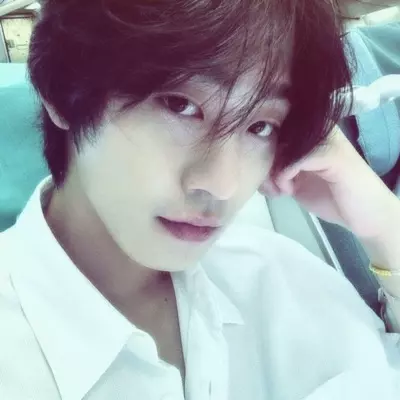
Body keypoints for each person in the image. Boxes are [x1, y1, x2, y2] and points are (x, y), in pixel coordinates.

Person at [0, 0, 399, 399]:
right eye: (180, 105)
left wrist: (386, 228)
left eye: (261, 126)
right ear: (62, 90)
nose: (223, 185)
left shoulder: (279, 279)